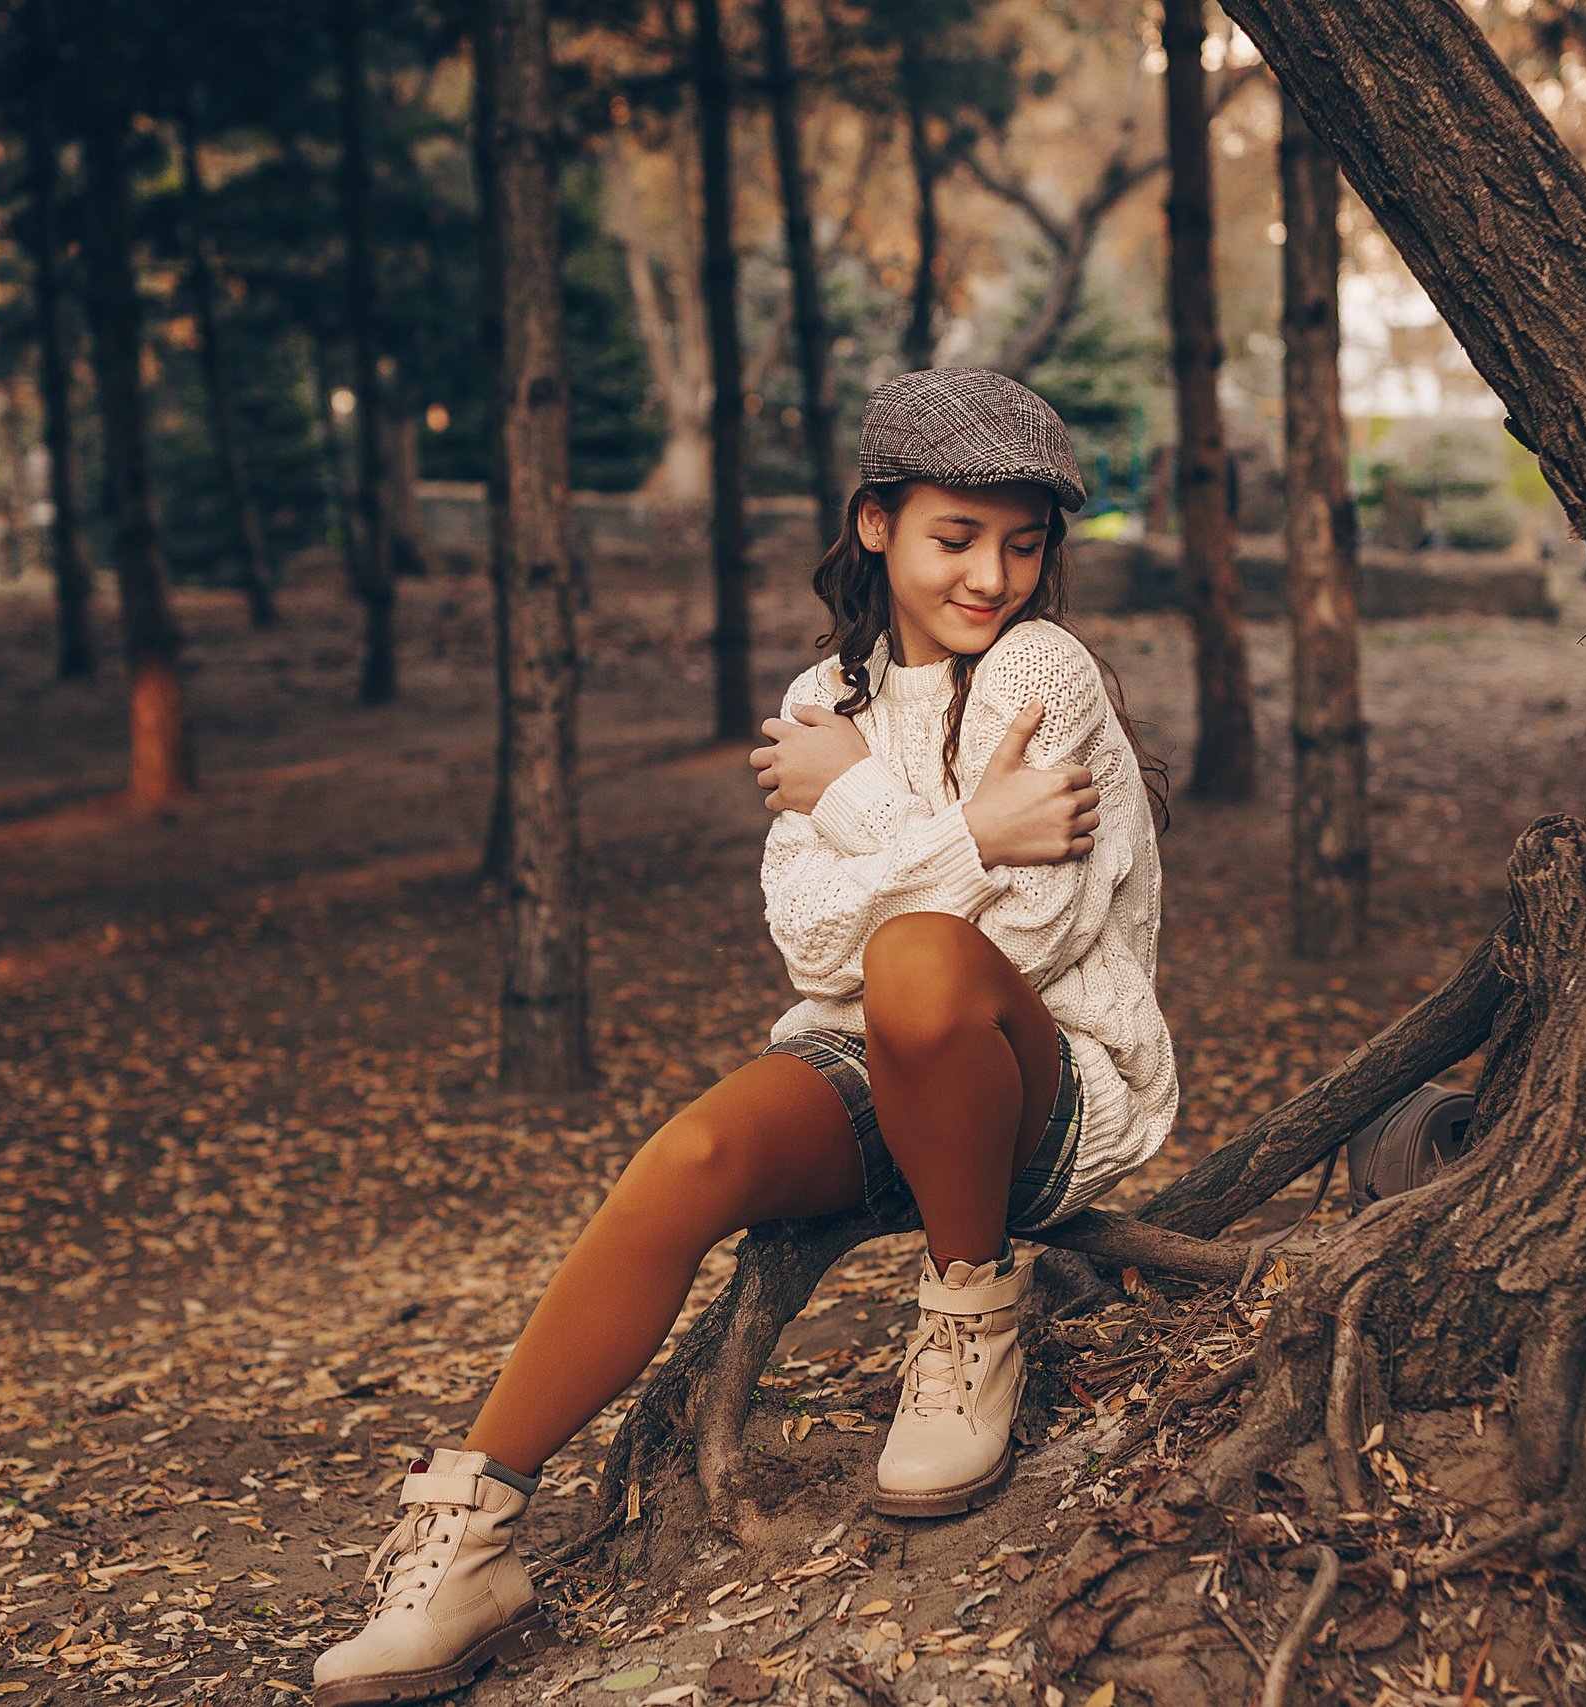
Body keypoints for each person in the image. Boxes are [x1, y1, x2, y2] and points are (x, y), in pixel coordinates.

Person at [310, 368, 1178, 1707]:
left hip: (1044, 1088)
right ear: (876, 523)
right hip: (879, 1063)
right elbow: (815, 947)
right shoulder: (820, 700)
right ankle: (469, 1529)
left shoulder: (1045, 672)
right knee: (694, 1153)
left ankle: (967, 1316)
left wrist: (869, 808)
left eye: (1023, 542)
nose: (995, 575)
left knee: (922, 954)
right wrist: (963, 832)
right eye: (958, 537)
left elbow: (1029, 934)